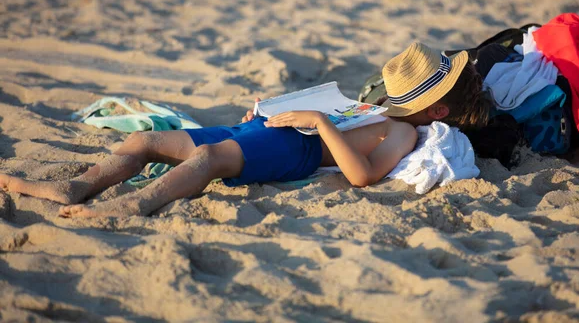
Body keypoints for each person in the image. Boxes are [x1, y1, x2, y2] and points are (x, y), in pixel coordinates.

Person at [0, 42, 490, 218]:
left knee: (212, 161)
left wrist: (318, 121)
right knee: (145, 141)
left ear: (435, 113)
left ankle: (136, 202)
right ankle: (77, 186)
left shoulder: (405, 135)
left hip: (295, 152)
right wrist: (290, 108)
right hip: (270, 129)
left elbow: (360, 176)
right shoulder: (382, 111)